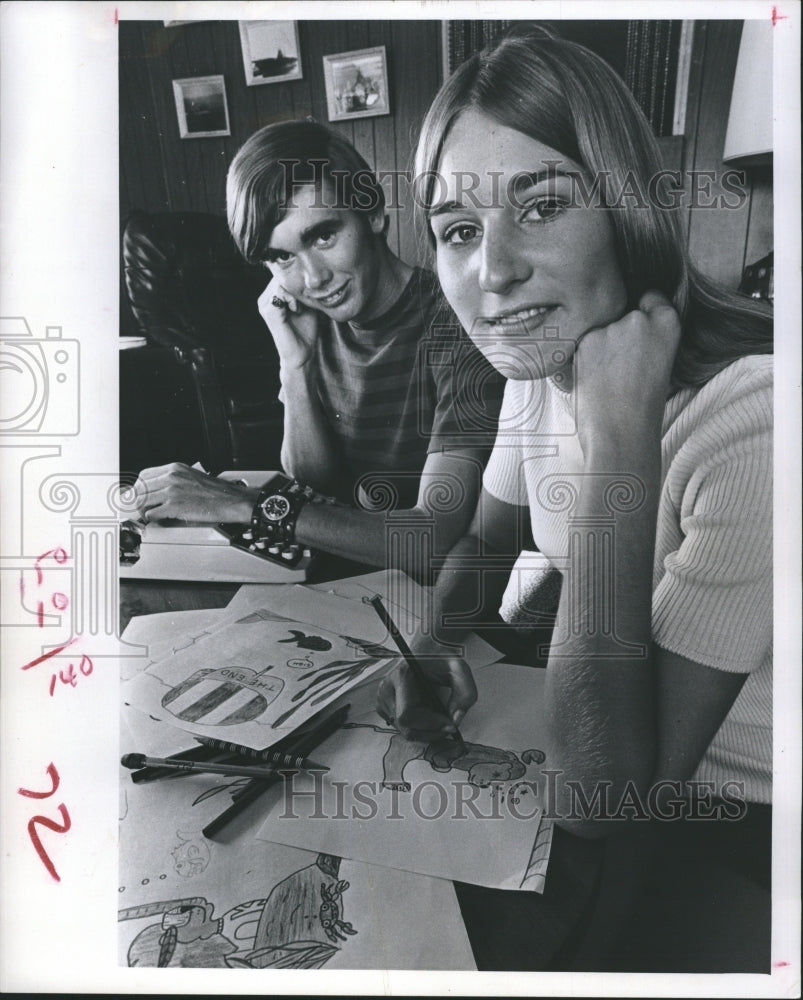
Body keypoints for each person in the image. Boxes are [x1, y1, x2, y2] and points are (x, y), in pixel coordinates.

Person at [378, 29, 773, 971]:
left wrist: (619, 438)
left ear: (630, 215)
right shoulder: (542, 350)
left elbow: (603, 801)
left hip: (736, 822)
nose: (492, 271)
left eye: (542, 205)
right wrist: (438, 641)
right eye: (458, 231)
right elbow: (487, 540)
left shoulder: (751, 419)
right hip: (595, 748)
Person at [134, 122, 505, 579]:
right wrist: (296, 365)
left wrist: (238, 503)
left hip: (440, 594)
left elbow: (429, 542)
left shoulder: (455, 325)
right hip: (353, 583)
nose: (313, 280)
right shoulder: (318, 318)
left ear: (371, 214)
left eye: (322, 237)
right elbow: (315, 482)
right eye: (281, 257)